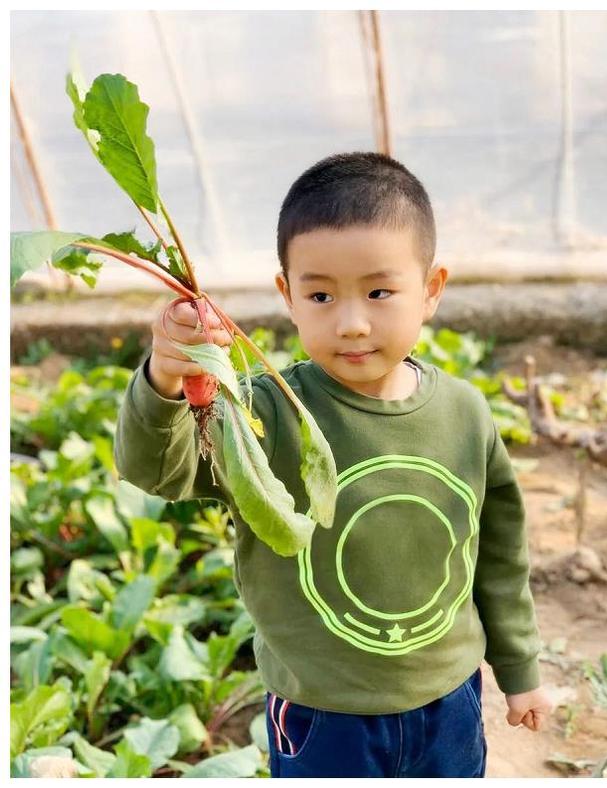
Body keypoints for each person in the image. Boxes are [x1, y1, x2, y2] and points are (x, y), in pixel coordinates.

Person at [115, 152, 552, 778]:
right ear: (287, 295)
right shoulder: (262, 412)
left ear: (430, 291)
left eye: (379, 291)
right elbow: (157, 469)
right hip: (321, 710)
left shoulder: (464, 414)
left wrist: (520, 672)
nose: (351, 323)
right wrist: (169, 371)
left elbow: (501, 560)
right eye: (320, 294)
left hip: (450, 697)